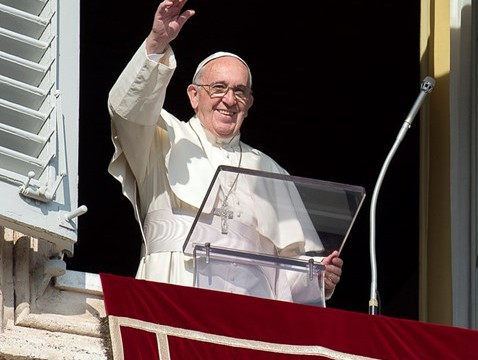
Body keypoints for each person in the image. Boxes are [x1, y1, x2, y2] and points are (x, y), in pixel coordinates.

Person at [107, 0, 343, 305]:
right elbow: (126, 110)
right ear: (194, 96)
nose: (229, 100)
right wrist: (157, 43)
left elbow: (290, 271)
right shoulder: (161, 138)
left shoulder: (270, 170)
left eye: (239, 91)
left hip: (248, 312)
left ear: (249, 103)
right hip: (173, 292)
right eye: (218, 88)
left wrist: (318, 278)